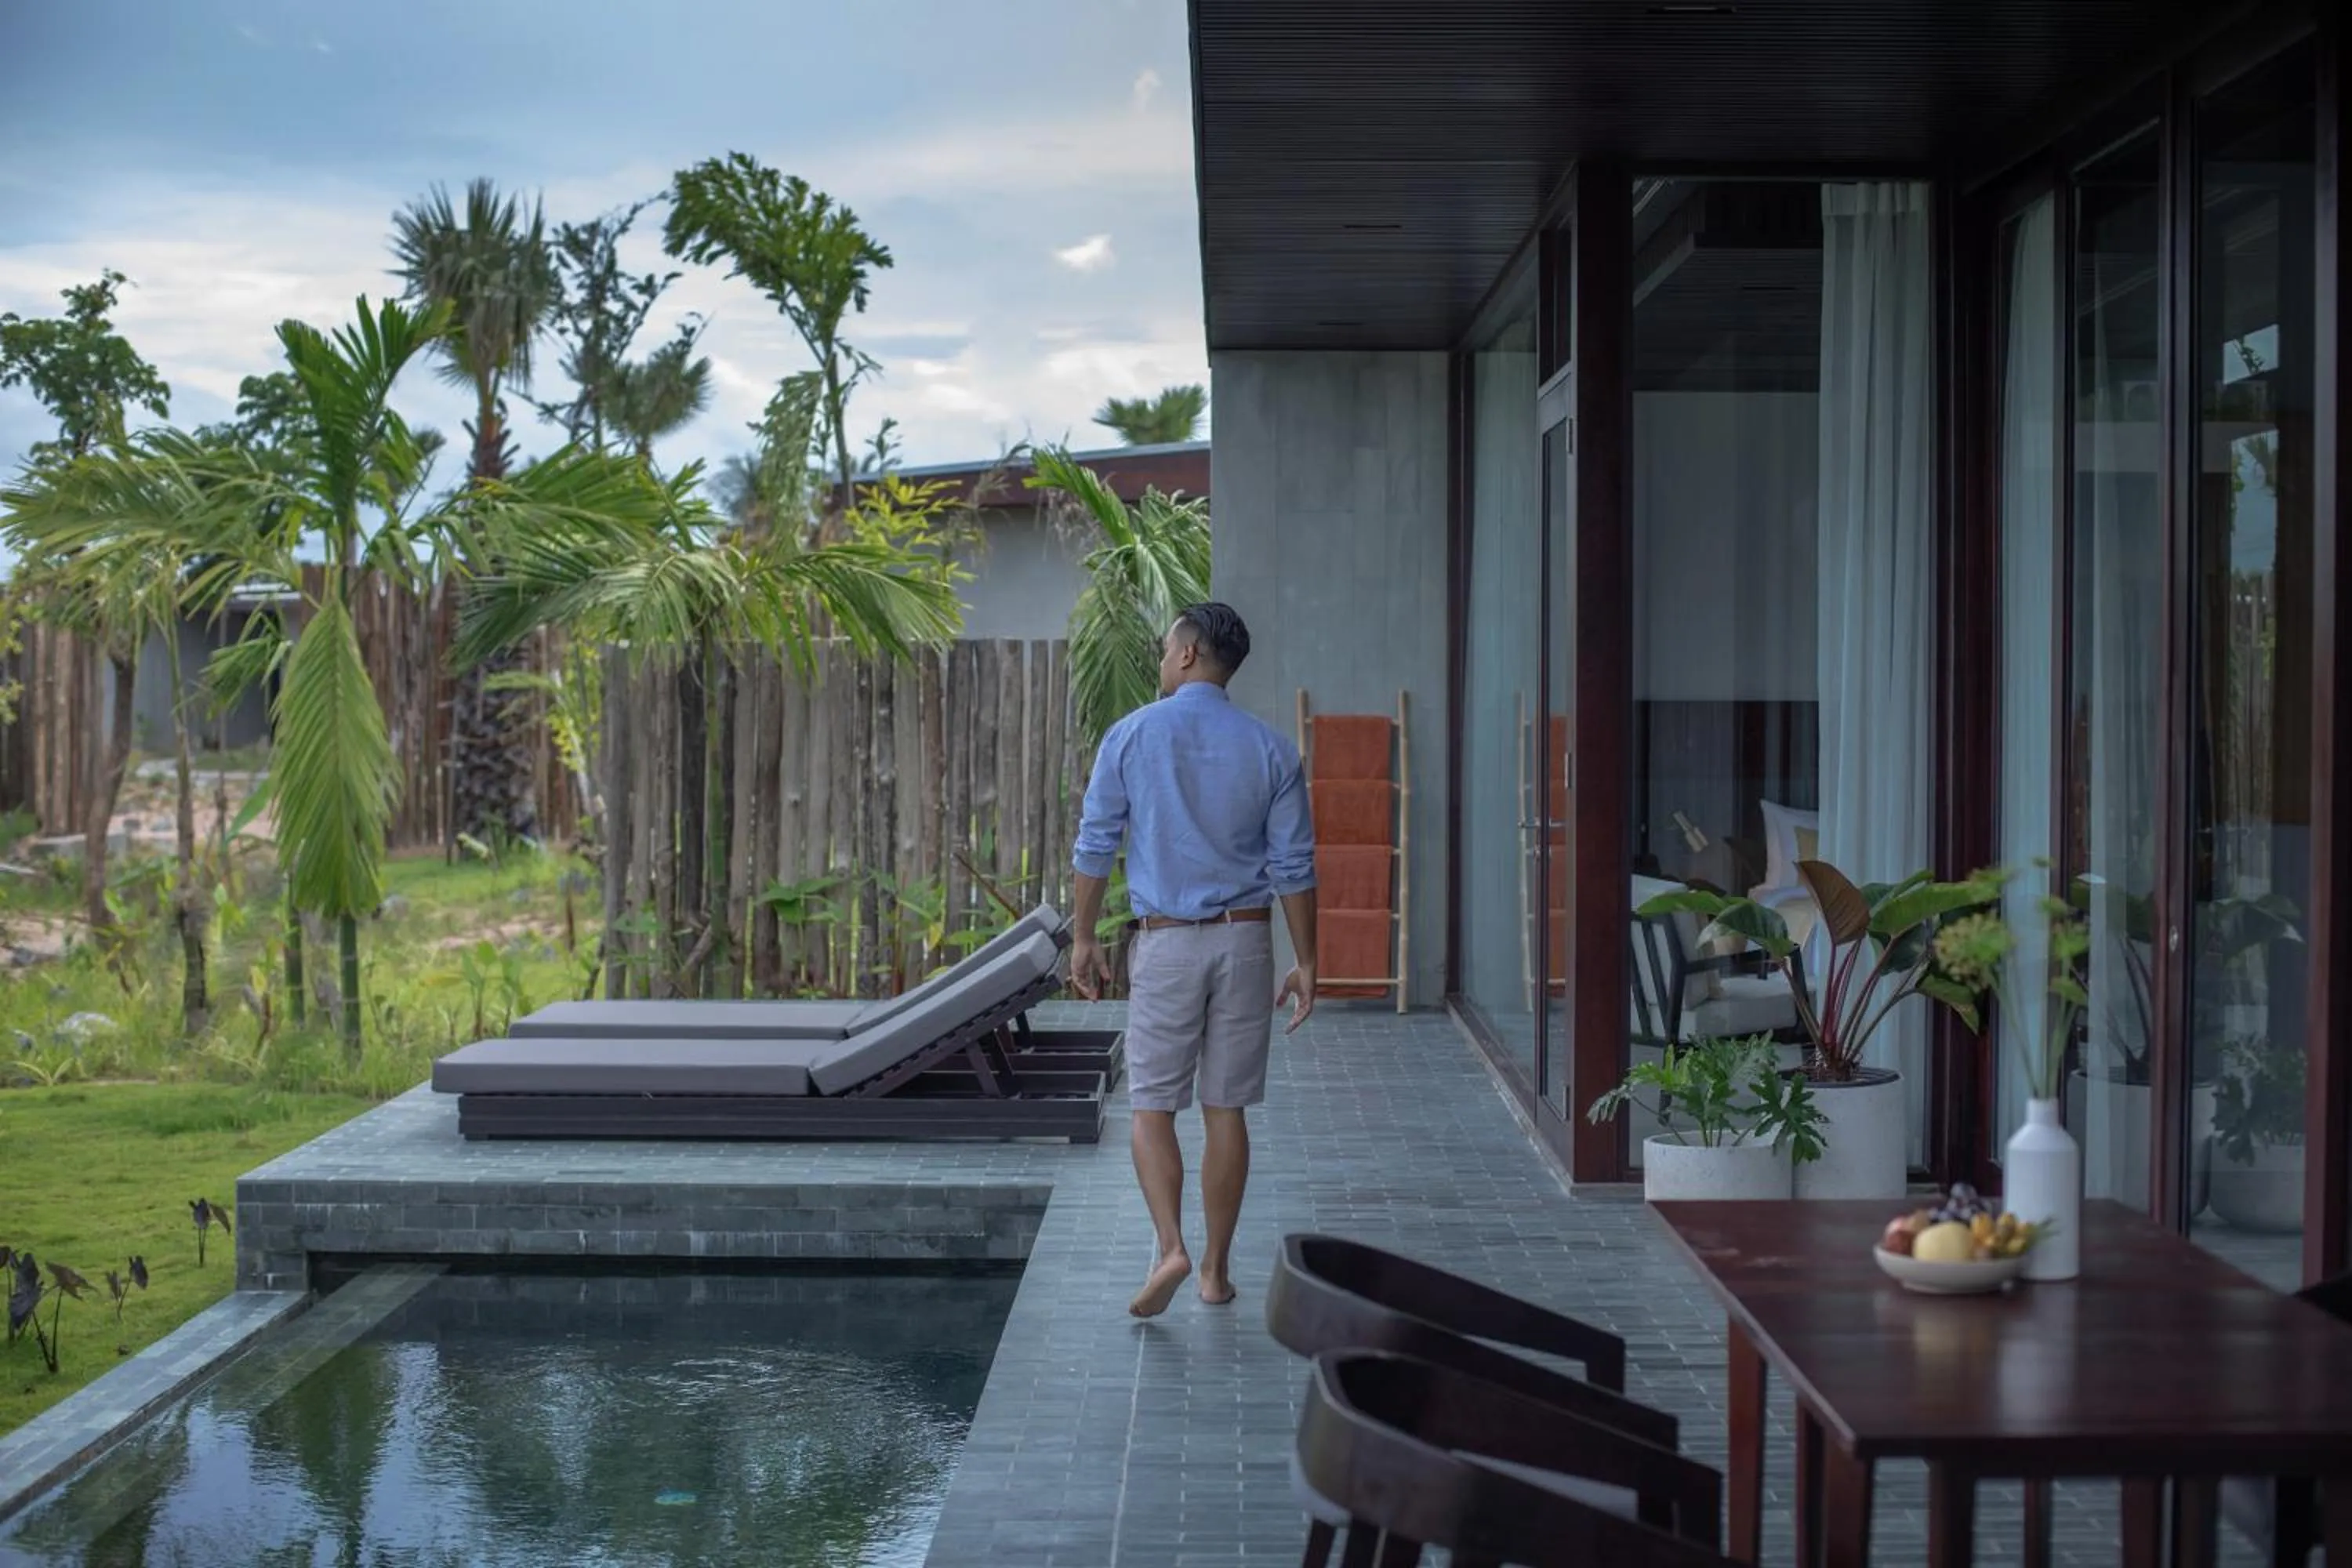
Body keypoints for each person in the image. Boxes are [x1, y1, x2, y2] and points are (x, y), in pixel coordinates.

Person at [1069, 601, 1319, 1319]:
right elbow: (1295, 867)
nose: (1159, 658)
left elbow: (1095, 846)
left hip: (1169, 942)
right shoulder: (1272, 749)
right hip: (1246, 941)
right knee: (1226, 1108)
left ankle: (1171, 1244)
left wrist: (1083, 939)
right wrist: (1307, 961)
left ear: (1186, 655)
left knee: (1151, 1106)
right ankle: (1213, 1272)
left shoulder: (1132, 735)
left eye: (1163, 647)